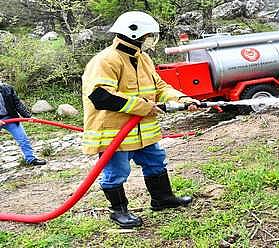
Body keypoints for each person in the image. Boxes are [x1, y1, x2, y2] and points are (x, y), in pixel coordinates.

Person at [82, 11, 200, 228]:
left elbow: (160, 87)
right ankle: (119, 211)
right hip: (115, 133)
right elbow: (101, 96)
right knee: (116, 173)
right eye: (148, 35)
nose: (150, 40)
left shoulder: (142, 58)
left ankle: (162, 199)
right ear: (133, 34)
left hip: (144, 130)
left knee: (156, 162)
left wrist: (182, 98)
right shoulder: (106, 60)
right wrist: (143, 106)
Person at [0, 82, 47, 166]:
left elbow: (17, 104)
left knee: (23, 138)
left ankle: (31, 159)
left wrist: (28, 116)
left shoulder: (7, 88)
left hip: (10, 118)